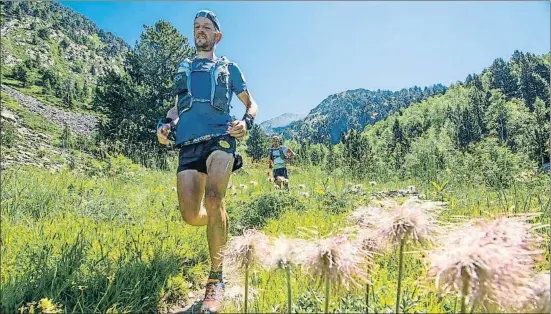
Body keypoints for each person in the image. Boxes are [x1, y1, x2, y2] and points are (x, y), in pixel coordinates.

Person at [156, 9, 258, 314]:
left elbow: (251, 103)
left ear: (217, 35)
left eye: (206, 27)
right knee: (191, 215)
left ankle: (216, 279)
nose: (200, 30)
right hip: (188, 143)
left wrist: (246, 123)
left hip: (220, 137)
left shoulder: (229, 68)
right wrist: (165, 124)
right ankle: (220, 225)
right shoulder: (184, 68)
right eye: (196, 27)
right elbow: (177, 109)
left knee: (215, 197)